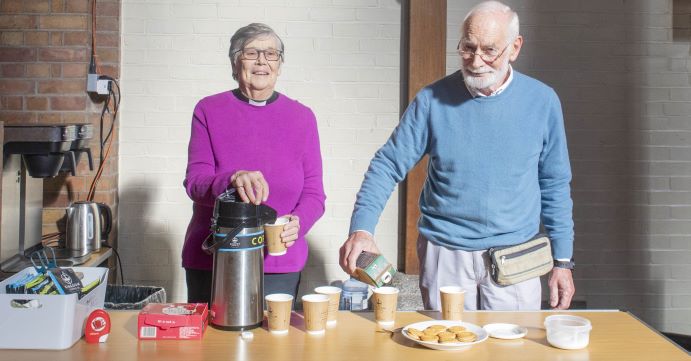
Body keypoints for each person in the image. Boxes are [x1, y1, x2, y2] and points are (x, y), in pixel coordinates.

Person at [339, 1, 575, 311]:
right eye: (468, 47)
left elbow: (555, 184)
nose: (476, 61)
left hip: (516, 255)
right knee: (446, 345)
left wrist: (562, 261)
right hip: (445, 253)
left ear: (514, 48)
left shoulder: (543, 101)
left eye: (489, 50)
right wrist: (362, 229)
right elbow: (387, 165)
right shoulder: (431, 100)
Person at [183, 23, 326, 303]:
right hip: (215, 257)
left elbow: (314, 194)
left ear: (280, 65)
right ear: (235, 63)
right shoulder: (208, 110)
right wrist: (231, 179)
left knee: (274, 345)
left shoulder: (302, 117)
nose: (262, 61)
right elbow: (195, 183)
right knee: (213, 345)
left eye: (271, 54)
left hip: (279, 261)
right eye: (251, 53)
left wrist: (299, 222)